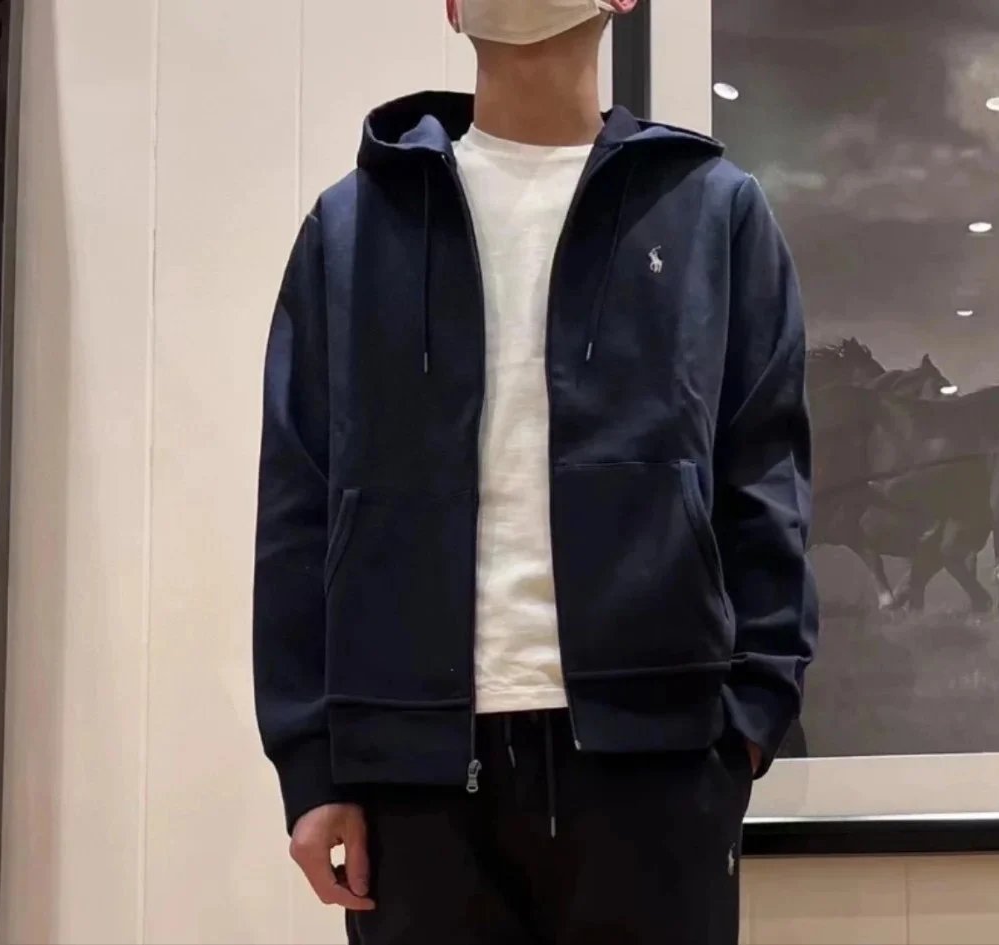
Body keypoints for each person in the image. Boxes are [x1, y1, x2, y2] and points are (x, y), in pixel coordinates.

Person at [252, 1, 817, 942]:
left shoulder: (713, 212)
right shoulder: (350, 228)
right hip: (412, 775)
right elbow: (298, 501)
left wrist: (749, 720)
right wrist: (311, 764)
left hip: (658, 764)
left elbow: (766, 476)